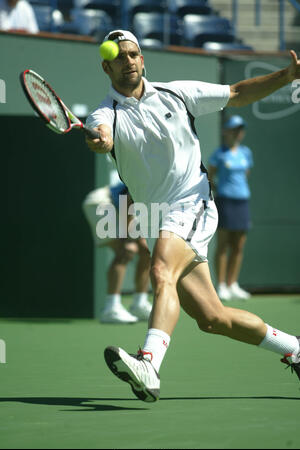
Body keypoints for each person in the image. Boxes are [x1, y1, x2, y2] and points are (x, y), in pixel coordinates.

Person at [85, 29, 300, 402]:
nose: (129, 61)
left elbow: (236, 94)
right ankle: (295, 348)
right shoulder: (104, 114)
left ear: (142, 58)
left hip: (192, 204)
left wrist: (286, 76)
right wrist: (100, 139)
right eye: (119, 57)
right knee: (212, 318)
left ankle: (149, 363)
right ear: (106, 66)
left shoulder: (177, 93)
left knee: (160, 271)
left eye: (133, 54)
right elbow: (99, 132)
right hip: (155, 220)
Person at [82, 178, 152, 323]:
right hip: (102, 202)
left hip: (118, 206)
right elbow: (127, 200)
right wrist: (128, 238)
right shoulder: (153, 176)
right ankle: (111, 309)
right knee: (125, 251)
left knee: (146, 251)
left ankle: (139, 303)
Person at [208, 115, 253, 301]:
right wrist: (222, 191)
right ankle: (221, 285)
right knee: (223, 245)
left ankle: (233, 283)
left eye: (240, 129)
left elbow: (246, 174)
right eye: (234, 129)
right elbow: (210, 177)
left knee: (238, 245)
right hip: (225, 202)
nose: (238, 133)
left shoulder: (246, 153)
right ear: (226, 132)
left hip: (242, 201)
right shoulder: (219, 153)